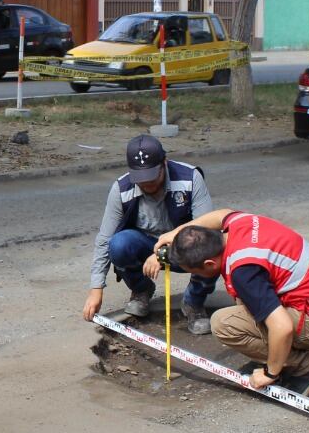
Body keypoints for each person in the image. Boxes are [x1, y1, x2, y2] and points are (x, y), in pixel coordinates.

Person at [161, 209, 309, 397]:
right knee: (244, 298)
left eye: (195, 271)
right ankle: (280, 356)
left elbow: (282, 327)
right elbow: (221, 214)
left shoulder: (244, 272)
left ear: (209, 264)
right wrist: (175, 233)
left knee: (223, 323)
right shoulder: (240, 224)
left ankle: (306, 368)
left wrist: (270, 373)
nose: (196, 275)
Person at [82, 134, 216, 333]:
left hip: (185, 248)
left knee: (213, 250)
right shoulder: (121, 189)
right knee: (118, 244)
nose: (147, 186)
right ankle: (141, 289)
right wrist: (96, 289)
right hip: (144, 247)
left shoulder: (190, 179)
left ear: (164, 162)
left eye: (152, 178)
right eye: (141, 181)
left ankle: (193, 302)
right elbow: (104, 240)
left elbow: (206, 233)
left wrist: (162, 254)